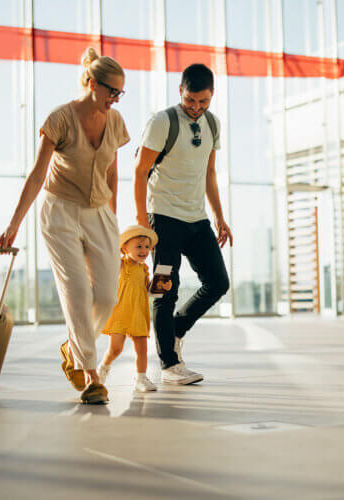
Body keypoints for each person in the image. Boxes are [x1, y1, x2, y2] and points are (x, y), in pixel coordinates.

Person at [0, 47, 130, 404]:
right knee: (77, 293)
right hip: (60, 212)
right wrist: (14, 225)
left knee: (106, 295)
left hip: (100, 213)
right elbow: (38, 173)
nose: (115, 99)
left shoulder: (115, 122)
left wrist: (114, 220)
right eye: (111, 91)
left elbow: (113, 173)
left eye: (120, 93)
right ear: (91, 83)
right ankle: (90, 376)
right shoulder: (60, 118)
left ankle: (74, 348)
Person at [133, 63, 233, 385]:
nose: (196, 107)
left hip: (196, 217)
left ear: (212, 96)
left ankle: (174, 330)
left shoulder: (213, 124)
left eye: (203, 102)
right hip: (162, 216)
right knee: (165, 289)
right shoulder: (162, 122)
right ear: (180, 91)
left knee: (218, 282)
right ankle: (169, 364)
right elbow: (139, 171)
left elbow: (210, 174)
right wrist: (141, 220)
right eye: (191, 100)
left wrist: (219, 216)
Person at [97, 225, 171, 392]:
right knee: (116, 348)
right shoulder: (121, 265)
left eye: (146, 247)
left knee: (142, 348)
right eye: (138, 246)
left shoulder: (144, 268)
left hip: (138, 312)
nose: (144, 250)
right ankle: (104, 367)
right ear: (124, 248)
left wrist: (162, 285)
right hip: (121, 313)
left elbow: (149, 290)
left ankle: (141, 378)